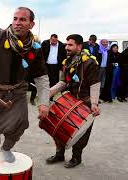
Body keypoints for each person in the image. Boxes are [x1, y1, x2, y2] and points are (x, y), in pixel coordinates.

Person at [0, 7, 50, 163]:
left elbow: (41, 77)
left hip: (18, 92)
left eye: (22, 19)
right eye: (15, 18)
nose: (17, 23)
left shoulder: (35, 48)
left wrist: (44, 103)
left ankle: (6, 147)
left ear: (31, 24)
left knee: (21, 123)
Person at [46, 34, 101, 168]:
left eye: (70, 45)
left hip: (85, 102)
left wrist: (94, 104)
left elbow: (95, 84)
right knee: (59, 127)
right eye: (66, 44)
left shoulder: (90, 63)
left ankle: (77, 157)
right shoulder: (68, 61)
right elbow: (63, 82)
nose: (66, 47)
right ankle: (60, 154)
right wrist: (48, 93)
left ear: (79, 46)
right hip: (69, 100)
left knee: (81, 133)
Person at [41, 34, 67, 100]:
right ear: (50, 39)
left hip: (56, 66)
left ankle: (51, 96)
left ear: (57, 39)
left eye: (55, 41)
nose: (54, 43)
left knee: (54, 81)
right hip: (46, 65)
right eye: (52, 41)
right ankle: (43, 94)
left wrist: (63, 66)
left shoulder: (61, 45)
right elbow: (41, 53)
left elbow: (64, 56)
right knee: (45, 80)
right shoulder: (45, 43)